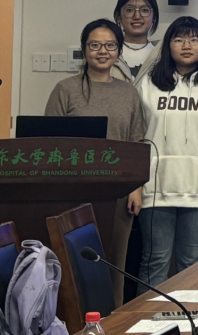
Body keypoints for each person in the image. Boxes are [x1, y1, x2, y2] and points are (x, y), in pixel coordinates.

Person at [46, 19, 146, 304]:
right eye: (95, 45)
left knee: (114, 264)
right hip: (72, 190)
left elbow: (137, 142)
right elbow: (48, 141)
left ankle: (113, 322)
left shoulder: (129, 92)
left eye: (110, 45)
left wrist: (136, 188)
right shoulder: (65, 89)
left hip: (118, 192)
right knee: (72, 264)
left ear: (119, 51)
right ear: (84, 49)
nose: (103, 51)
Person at [132, 16, 198, 285]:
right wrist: (136, 185)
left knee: (193, 263)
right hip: (155, 188)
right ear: (168, 45)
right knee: (155, 261)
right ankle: (150, 314)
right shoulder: (147, 85)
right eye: (178, 39)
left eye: (194, 39)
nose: (186, 45)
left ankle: (190, 314)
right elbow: (136, 137)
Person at [110, 0, 162, 84]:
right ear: (119, 16)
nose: (137, 16)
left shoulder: (163, 54)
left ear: (154, 17)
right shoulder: (106, 51)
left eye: (145, 10)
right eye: (129, 10)